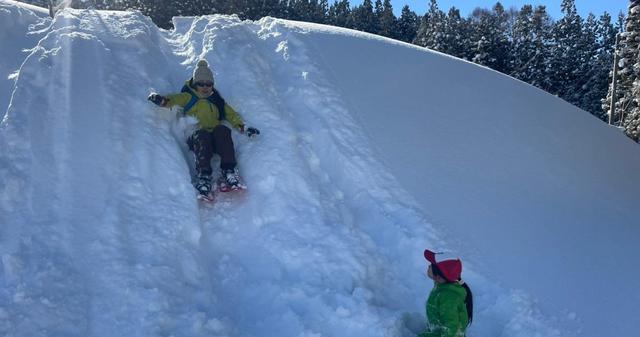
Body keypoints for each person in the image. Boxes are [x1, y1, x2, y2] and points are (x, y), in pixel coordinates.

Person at [148, 60, 259, 197]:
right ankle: (203, 175)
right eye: (201, 84)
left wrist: (244, 127)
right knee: (202, 135)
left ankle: (229, 170)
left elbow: (231, 114)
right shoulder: (188, 97)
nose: (205, 87)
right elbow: (174, 99)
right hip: (197, 136)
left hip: (215, 137)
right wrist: (162, 100)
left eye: (209, 84)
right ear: (195, 84)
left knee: (223, 130)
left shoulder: (216, 99)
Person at [419, 249, 473, 337]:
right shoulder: (443, 286)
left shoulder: (448, 298)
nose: (429, 266)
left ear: (439, 277)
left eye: (432, 265)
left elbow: (451, 328)